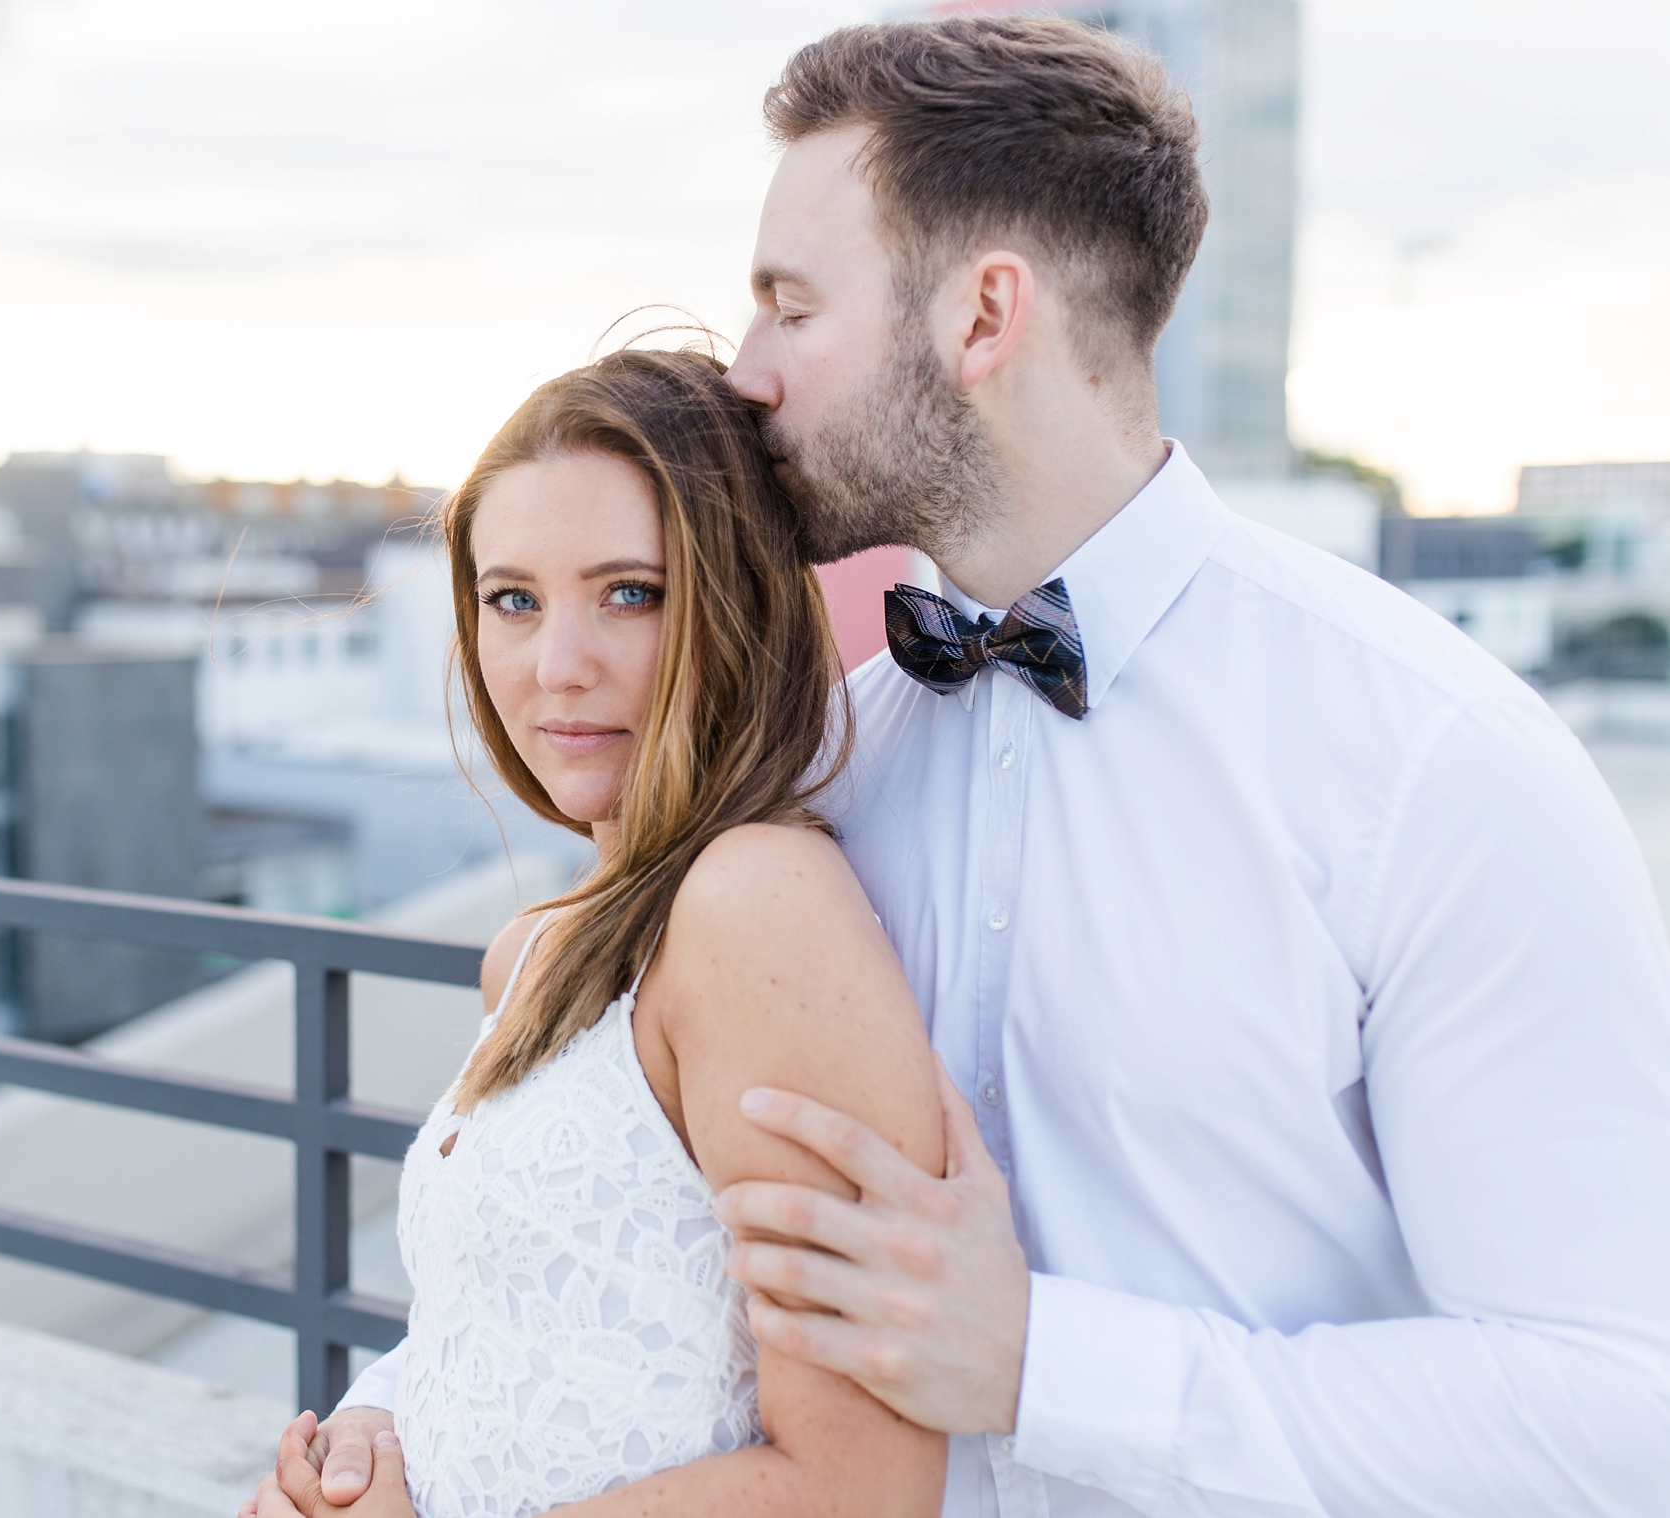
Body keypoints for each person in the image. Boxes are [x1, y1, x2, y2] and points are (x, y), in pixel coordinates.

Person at [266, 15, 1670, 1516]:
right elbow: (599, 1237)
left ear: (984, 314)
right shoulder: (819, 755)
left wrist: (1046, 1362)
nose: (744, 375)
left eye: (791, 309)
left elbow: (1615, 1407)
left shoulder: (1431, 762)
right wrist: (383, 1422)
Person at [248, 347, 952, 1518]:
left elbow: (860, 1488)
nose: (554, 668)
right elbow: (499, 1333)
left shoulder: (754, 902)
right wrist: (373, 1436)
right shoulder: (531, 948)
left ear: (732, 603)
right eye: (510, 599)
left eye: (629, 592)